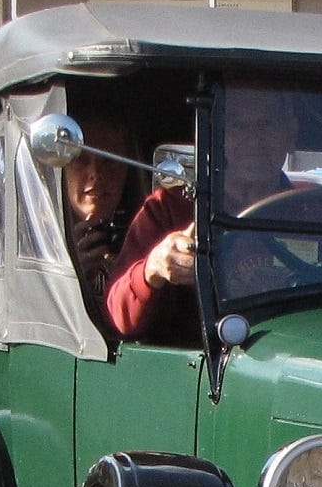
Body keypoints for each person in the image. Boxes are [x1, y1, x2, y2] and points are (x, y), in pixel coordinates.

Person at [105, 84, 298, 345]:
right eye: (237, 125)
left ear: (290, 132)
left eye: (267, 124)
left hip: (298, 354)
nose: (253, 140)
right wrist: (153, 268)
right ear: (217, 135)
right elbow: (118, 317)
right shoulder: (169, 210)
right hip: (200, 360)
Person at [64, 114, 137, 302]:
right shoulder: (42, 246)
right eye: (80, 159)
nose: (95, 174)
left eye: (109, 161)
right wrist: (72, 276)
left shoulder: (146, 239)